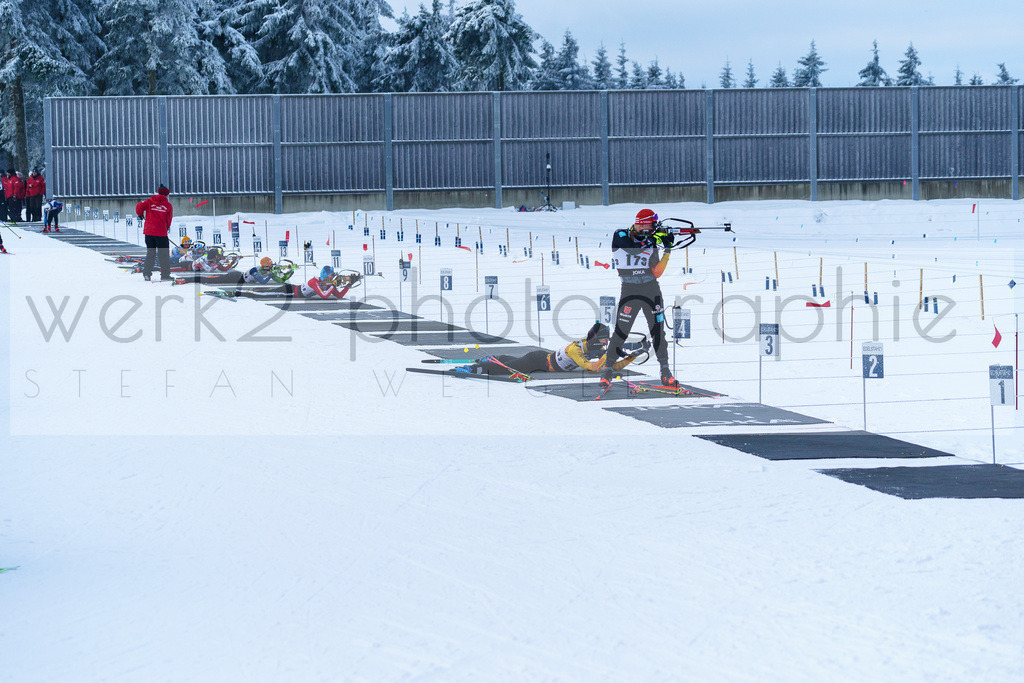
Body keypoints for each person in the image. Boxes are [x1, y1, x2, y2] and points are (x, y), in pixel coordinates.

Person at [598, 208, 680, 390]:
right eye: (652, 226)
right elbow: (633, 250)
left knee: (658, 332)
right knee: (621, 332)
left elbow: (657, 272)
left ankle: (665, 371)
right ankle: (607, 370)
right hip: (629, 291)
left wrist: (667, 250)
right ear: (642, 223)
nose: (653, 229)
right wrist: (654, 239)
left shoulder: (650, 243)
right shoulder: (620, 235)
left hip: (651, 290)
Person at [456, 322, 646, 378]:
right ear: (597, 339)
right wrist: (608, 355)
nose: (606, 343)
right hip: (538, 362)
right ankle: (475, 369)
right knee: (509, 369)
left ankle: (488, 359)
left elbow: (613, 367)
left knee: (508, 360)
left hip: (542, 360)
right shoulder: (576, 350)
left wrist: (631, 357)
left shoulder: (593, 350)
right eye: (605, 339)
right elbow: (594, 369)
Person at [136, 184, 173, 281]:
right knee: (163, 254)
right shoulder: (168, 205)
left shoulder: (149, 202)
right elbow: (168, 221)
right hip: (161, 234)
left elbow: (139, 206)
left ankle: (147, 274)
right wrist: (165, 229)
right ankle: (165, 275)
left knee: (150, 254)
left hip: (149, 233)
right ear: (166, 195)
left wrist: (140, 214)